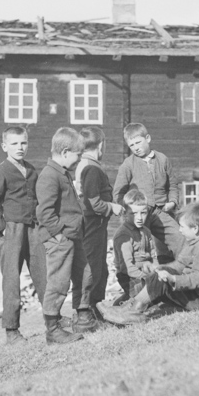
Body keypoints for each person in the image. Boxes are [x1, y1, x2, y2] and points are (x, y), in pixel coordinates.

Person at [98, 202, 199, 325]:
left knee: (163, 279)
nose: (179, 230)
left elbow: (198, 277)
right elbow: (179, 264)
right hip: (196, 294)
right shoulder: (195, 242)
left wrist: (173, 279)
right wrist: (157, 268)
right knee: (161, 273)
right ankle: (130, 307)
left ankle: (133, 311)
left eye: (182, 227)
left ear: (195, 228)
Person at [0, 126, 46, 345]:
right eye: (15, 144)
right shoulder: (1, 171)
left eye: (23, 143)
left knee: (42, 274)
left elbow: (37, 199)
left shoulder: (31, 170)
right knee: (11, 280)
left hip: (33, 229)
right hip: (11, 231)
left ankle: (53, 321)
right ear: (4, 147)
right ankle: (12, 330)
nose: (20, 148)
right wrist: (1, 230)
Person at [36, 127, 92, 345]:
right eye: (78, 154)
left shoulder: (62, 172)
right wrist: (60, 236)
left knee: (85, 275)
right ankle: (53, 330)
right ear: (66, 151)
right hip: (60, 239)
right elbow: (44, 213)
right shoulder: (49, 175)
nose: (79, 159)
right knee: (58, 284)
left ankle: (84, 318)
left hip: (72, 237)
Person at [113, 122, 185, 259]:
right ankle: (139, 277)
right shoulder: (128, 164)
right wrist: (129, 210)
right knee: (141, 248)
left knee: (179, 238)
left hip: (161, 211)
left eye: (138, 142)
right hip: (138, 215)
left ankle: (179, 272)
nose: (136, 148)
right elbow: (118, 193)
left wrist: (172, 202)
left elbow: (173, 186)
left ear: (148, 138)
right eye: (132, 145)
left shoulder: (163, 160)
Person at [75, 127, 123, 319]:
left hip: (91, 224)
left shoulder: (83, 164)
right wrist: (113, 207)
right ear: (101, 145)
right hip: (92, 224)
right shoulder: (92, 168)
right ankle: (87, 312)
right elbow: (93, 203)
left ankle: (91, 310)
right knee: (94, 268)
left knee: (96, 267)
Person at [112, 189, 172, 302]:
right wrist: (148, 277)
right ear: (125, 213)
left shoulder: (146, 231)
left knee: (163, 288)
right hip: (129, 275)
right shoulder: (123, 236)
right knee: (149, 296)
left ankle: (128, 299)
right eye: (134, 213)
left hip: (145, 270)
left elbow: (153, 255)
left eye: (143, 213)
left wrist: (157, 269)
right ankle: (125, 303)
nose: (139, 218)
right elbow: (127, 268)